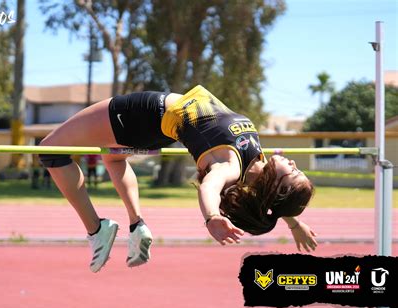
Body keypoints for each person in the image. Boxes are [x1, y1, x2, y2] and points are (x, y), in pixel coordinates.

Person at [39, 85, 317, 273]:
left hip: (144, 113)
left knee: (50, 150)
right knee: (113, 158)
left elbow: (209, 186)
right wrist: (293, 223)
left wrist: (211, 217)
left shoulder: (231, 166)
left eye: (293, 172)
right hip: (160, 126)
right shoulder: (258, 162)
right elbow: (270, 203)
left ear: (277, 185)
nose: (293, 163)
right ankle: (137, 224)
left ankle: (95, 229)